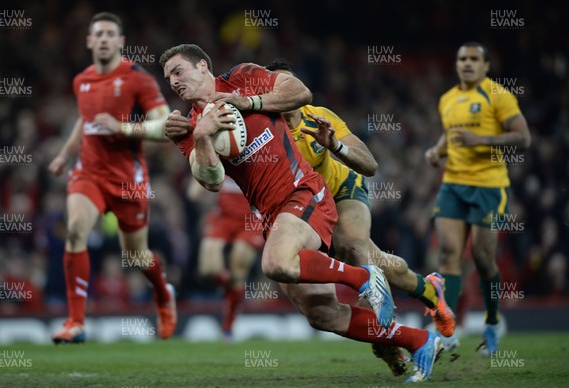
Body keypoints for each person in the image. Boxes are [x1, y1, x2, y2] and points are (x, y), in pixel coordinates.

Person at [161, 43, 441, 383]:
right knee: (322, 314)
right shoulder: (187, 126)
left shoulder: (244, 78)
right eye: (168, 78)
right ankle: (419, 340)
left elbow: (300, 91)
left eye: (178, 71)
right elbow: (212, 182)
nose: (173, 81)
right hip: (271, 216)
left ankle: (366, 278)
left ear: (203, 66)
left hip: (303, 192)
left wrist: (248, 103)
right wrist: (203, 138)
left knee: (275, 263)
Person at [47, 12, 177, 343]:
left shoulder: (138, 79)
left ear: (120, 42)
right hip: (88, 172)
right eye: (98, 34)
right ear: (89, 41)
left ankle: (163, 294)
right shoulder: (82, 81)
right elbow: (84, 118)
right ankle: (75, 322)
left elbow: (166, 125)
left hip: (127, 179)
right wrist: (65, 153)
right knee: (75, 230)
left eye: (110, 34)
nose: (103, 39)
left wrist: (123, 127)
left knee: (135, 256)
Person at [424, 42, 531, 354]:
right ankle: (447, 328)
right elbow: (451, 133)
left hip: (490, 186)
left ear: (486, 66)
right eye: (462, 59)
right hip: (454, 184)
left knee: (484, 260)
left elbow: (523, 137)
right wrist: (437, 150)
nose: (467, 63)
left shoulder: (498, 95)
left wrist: (482, 139)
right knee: (448, 254)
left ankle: (492, 322)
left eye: (474, 59)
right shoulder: (447, 99)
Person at [187, 176, 264, 338]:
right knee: (208, 270)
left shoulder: (261, 156)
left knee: (239, 263)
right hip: (223, 217)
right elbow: (194, 190)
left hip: (251, 220)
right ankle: (229, 287)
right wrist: (199, 185)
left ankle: (228, 325)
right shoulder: (222, 155)